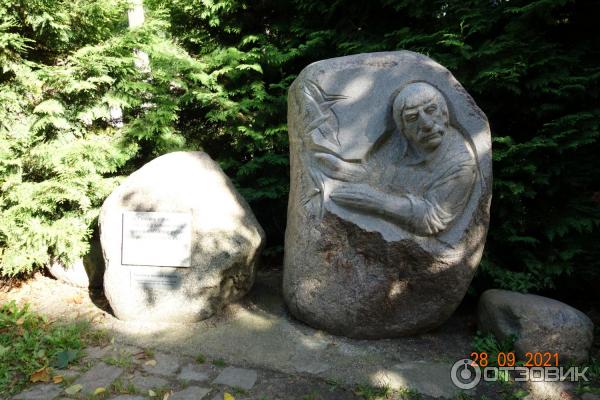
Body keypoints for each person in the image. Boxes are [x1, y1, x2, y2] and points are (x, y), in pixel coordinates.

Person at [317, 82, 477, 236]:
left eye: (431, 110)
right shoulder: (400, 141)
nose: (426, 124)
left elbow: (433, 219)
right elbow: (379, 173)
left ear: (444, 113)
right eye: (413, 117)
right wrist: (344, 171)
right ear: (403, 129)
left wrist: (375, 202)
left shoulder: (460, 166)